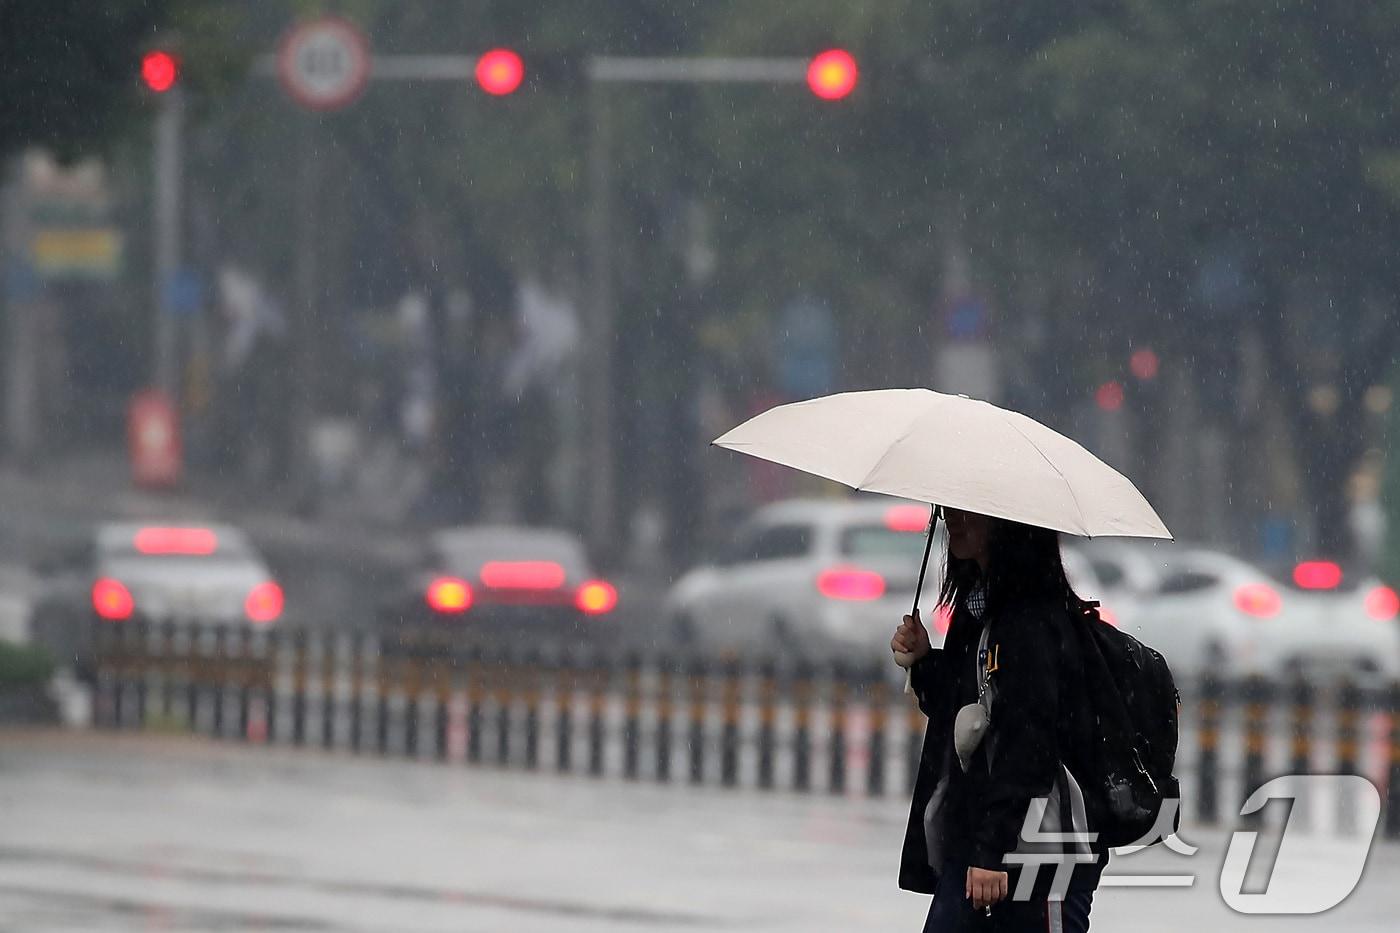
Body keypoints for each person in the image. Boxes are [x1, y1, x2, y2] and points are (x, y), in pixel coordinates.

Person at [890, 507, 1106, 932]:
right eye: (949, 509)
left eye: (968, 512)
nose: (953, 519)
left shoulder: (1030, 621)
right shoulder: (979, 609)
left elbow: (1029, 747)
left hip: (1035, 858)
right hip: (978, 844)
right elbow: (967, 708)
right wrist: (924, 662)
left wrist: (993, 854)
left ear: (1009, 524)